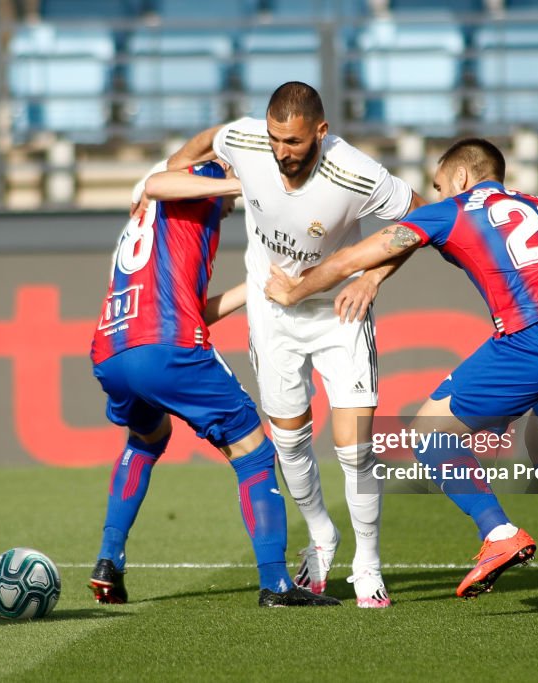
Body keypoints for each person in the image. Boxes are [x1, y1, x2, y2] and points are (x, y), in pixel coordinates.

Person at [265, 138, 538, 611]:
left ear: (460, 177)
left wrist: (296, 290)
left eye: (438, 185)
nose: (437, 194)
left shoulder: (457, 206)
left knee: (428, 436)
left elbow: (363, 252)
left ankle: (498, 531)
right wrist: (374, 280)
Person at [145, 82, 426, 607]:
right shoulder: (247, 140)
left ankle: (367, 564)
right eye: (275, 139)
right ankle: (322, 536)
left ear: (320, 131)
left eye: (294, 142)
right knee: (291, 443)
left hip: (338, 313)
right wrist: (176, 165)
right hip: (273, 316)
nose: (281, 152)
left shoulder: (356, 171)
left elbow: (419, 219)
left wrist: (372, 279)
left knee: (355, 446)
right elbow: (209, 140)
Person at [89, 160, 340, 608]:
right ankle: (276, 585)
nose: (228, 210)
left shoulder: (152, 227)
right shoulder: (196, 186)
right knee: (255, 453)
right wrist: (239, 181)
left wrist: (257, 285)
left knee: (147, 439)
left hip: (113, 346)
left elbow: (192, 308)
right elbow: (158, 182)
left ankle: (109, 559)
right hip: (167, 345)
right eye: (228, 202)